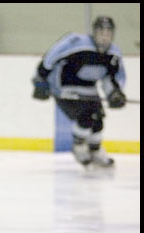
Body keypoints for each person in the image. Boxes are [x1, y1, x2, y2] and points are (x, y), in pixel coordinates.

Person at [32, 16, 127, 168]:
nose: (104, 36)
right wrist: (40, 80)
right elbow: (51, 57)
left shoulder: (113, 54)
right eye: (101, 32)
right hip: (64, 86)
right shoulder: (76, 43)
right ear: (94, 32)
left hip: (88, 88)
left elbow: (111, 78)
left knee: (98, 120)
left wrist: (114, 93)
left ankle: (95, 151)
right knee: (86, 117)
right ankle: (79, 147)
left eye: (108, 33)